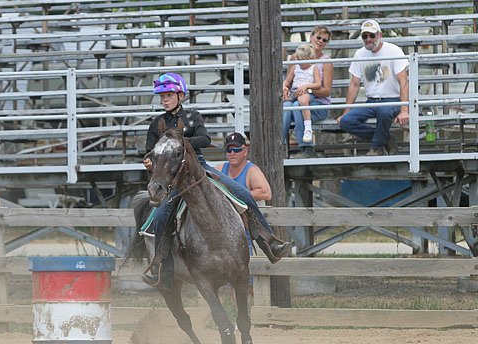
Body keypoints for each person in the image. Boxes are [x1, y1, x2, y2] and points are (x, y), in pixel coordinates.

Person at [141, 73, 291, 287]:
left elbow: (205, 139)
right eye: (162, 96)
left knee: (243, 193)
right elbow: (150, 151)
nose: (164, 99)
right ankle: (158, 266)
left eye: (168, 95)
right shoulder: (157, 124)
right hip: (173, 176)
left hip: (200, 168)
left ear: (180, 95)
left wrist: (180, 142)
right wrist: (149, 161)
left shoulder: (193, 116)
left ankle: (268, 242)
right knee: (162, 213)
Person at [338, 19, 409, 156]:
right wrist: (346, 111)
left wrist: (404, 109)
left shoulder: (394, 51)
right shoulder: (359, 54)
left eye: (372, 35)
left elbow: (403, 81)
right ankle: (386, 138)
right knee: (346, 122)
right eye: (364, 36)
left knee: (384, 111)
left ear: (379, 35)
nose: (368, 39)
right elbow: (354, 84)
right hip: (371, 101)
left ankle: (376, 148)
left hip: (393, 100)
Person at [282, 26, 333, 158]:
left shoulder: (325, 62)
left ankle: (306, 148)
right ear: (311, 37)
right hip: (297, 99)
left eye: (325, 40)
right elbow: (289, 81)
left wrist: (307, 90)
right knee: (289, 106)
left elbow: (326, 91)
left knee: (298, 105)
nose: (321, 41)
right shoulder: (295, 57)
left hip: (317, 103)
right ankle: (279, 144)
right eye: (318, 37)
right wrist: (286, 90)